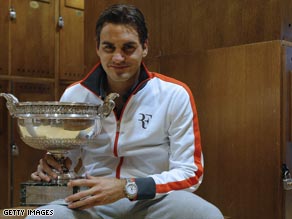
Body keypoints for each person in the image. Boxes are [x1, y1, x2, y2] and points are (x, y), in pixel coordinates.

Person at [26, 4, 223, 219]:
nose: (118, 58)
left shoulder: (174, 94)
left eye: (128, 48)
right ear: (98, 48)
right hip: (90, 199)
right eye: (109, 47)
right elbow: (68, 159)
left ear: (144, 47)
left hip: (153, 201)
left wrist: (127, 187)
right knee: (40, 216)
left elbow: (190, 173)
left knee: (208, 215)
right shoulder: (75, 95)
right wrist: (53, 167)